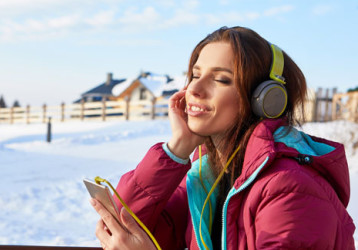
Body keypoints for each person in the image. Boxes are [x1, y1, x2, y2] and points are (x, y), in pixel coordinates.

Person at [89, 26, 356, 249]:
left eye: (221, 79)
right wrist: (177, 149)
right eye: (194, 75)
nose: (194, 88)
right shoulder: (207, 177)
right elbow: (124, 225)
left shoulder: (290, 189)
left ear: (264, 99)